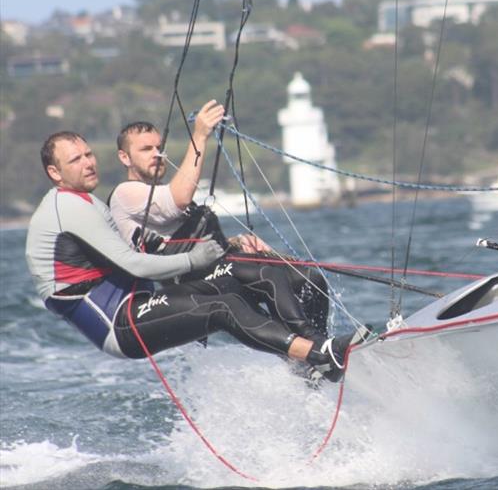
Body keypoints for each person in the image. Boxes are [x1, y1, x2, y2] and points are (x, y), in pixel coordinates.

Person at [25, 131, 356, 381]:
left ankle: (317, 352)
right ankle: (316, 355)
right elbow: (133, 264)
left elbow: (133, 254)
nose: (88, 163)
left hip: (139, 303)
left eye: (88, 154)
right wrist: (193, 260)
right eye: (75, 160)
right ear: (55, 173)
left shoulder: (87, 204)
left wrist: (229, 247)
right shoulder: (65, 207)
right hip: (120, 324)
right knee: (224, 307)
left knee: (272, 273)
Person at [108, 102, 331, 348]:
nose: (157, 154)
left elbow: (184, 233)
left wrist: (235, 242)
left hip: (216, 269)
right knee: (268, 274)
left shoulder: (158, 193)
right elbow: (180, 199)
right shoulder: (124, 193)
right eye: (146, 149)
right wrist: (200, 135)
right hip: (186, 284)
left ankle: (313, 360)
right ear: (124, 157)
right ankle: (314, 345)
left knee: (308, 279)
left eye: (160, 147)